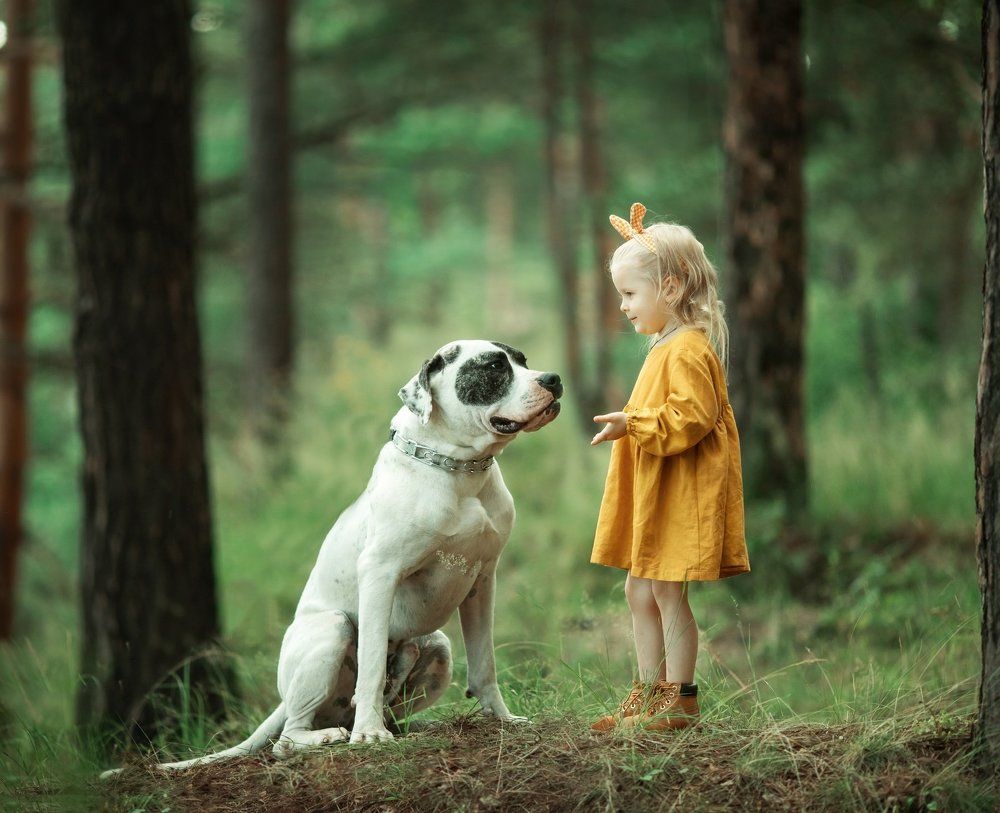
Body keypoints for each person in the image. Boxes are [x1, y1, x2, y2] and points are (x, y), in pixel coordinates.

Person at [588, 202, 749, 733]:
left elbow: (692, 418)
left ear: (673, 288)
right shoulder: (666, 343)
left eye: (631, 294)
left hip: (683, 491)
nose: (624, 307)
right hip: (663, 487)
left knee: (662, 590)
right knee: (640, 589)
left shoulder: (686, 349)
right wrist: (629, 425)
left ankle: (679, 699)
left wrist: (634, 424)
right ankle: (650, 694)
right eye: (620, 296)